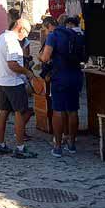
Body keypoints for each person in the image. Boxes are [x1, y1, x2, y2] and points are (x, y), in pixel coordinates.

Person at [39, 16, 86, 157]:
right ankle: (71, 144)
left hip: (60, 77)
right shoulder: (73, 33)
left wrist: (40, 56)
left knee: (58, 110)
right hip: (76, 75)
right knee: (73, 109)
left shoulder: (53, 36)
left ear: (48, 26)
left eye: (44, 30)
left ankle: (58, 146)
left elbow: (46, 57)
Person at [0, 17, 39, 159]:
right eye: (26, 33)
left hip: (2, 80)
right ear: (20, 28)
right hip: (13, 82)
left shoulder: (1, 37)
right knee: (20, 112)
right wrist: (28, 73)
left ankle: (0, 144)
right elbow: (13, 64)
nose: (25, 36)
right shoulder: (12, 41)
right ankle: (20, 147)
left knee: (3, 111)